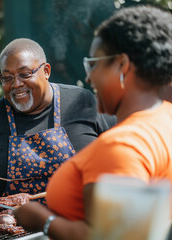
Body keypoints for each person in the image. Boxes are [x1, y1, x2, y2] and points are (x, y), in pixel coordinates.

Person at [13, 5, 172, 240]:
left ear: (122, 65)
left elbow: (113, 237)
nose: (88, 77)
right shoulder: (166, 117)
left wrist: (42, 220)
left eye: (94, 64)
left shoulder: (121, 146)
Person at [0, 38, 116, 210]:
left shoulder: (83, 102)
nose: (16, 84)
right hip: (13, 232)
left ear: (46, 71)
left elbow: (122, 154)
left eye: (25, 74)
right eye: (7, 78)